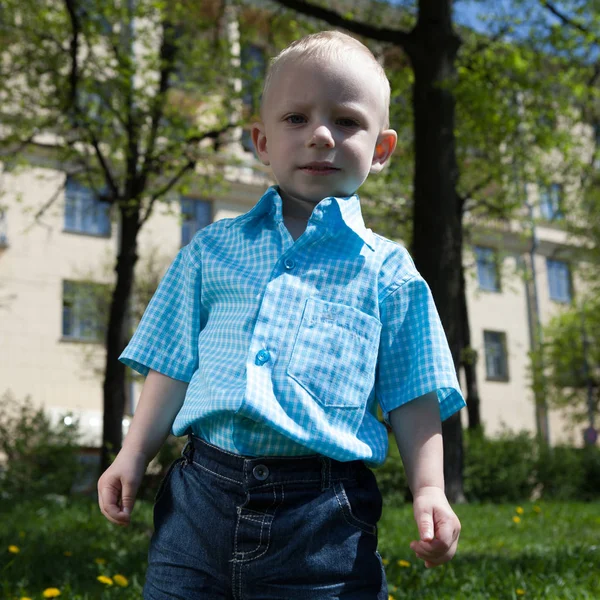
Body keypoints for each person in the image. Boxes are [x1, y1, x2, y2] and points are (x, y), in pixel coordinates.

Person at [97, 30, 466, 599]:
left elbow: (414, 392)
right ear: (262, 141)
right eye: (296, 119)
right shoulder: (210, 250)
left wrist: (430, 490)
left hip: (324, 522)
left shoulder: (390, 272)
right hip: (199, 501)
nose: (321, 135)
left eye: (346, 122)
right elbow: (171, 364)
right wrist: (132, 453)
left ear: (382, 148)